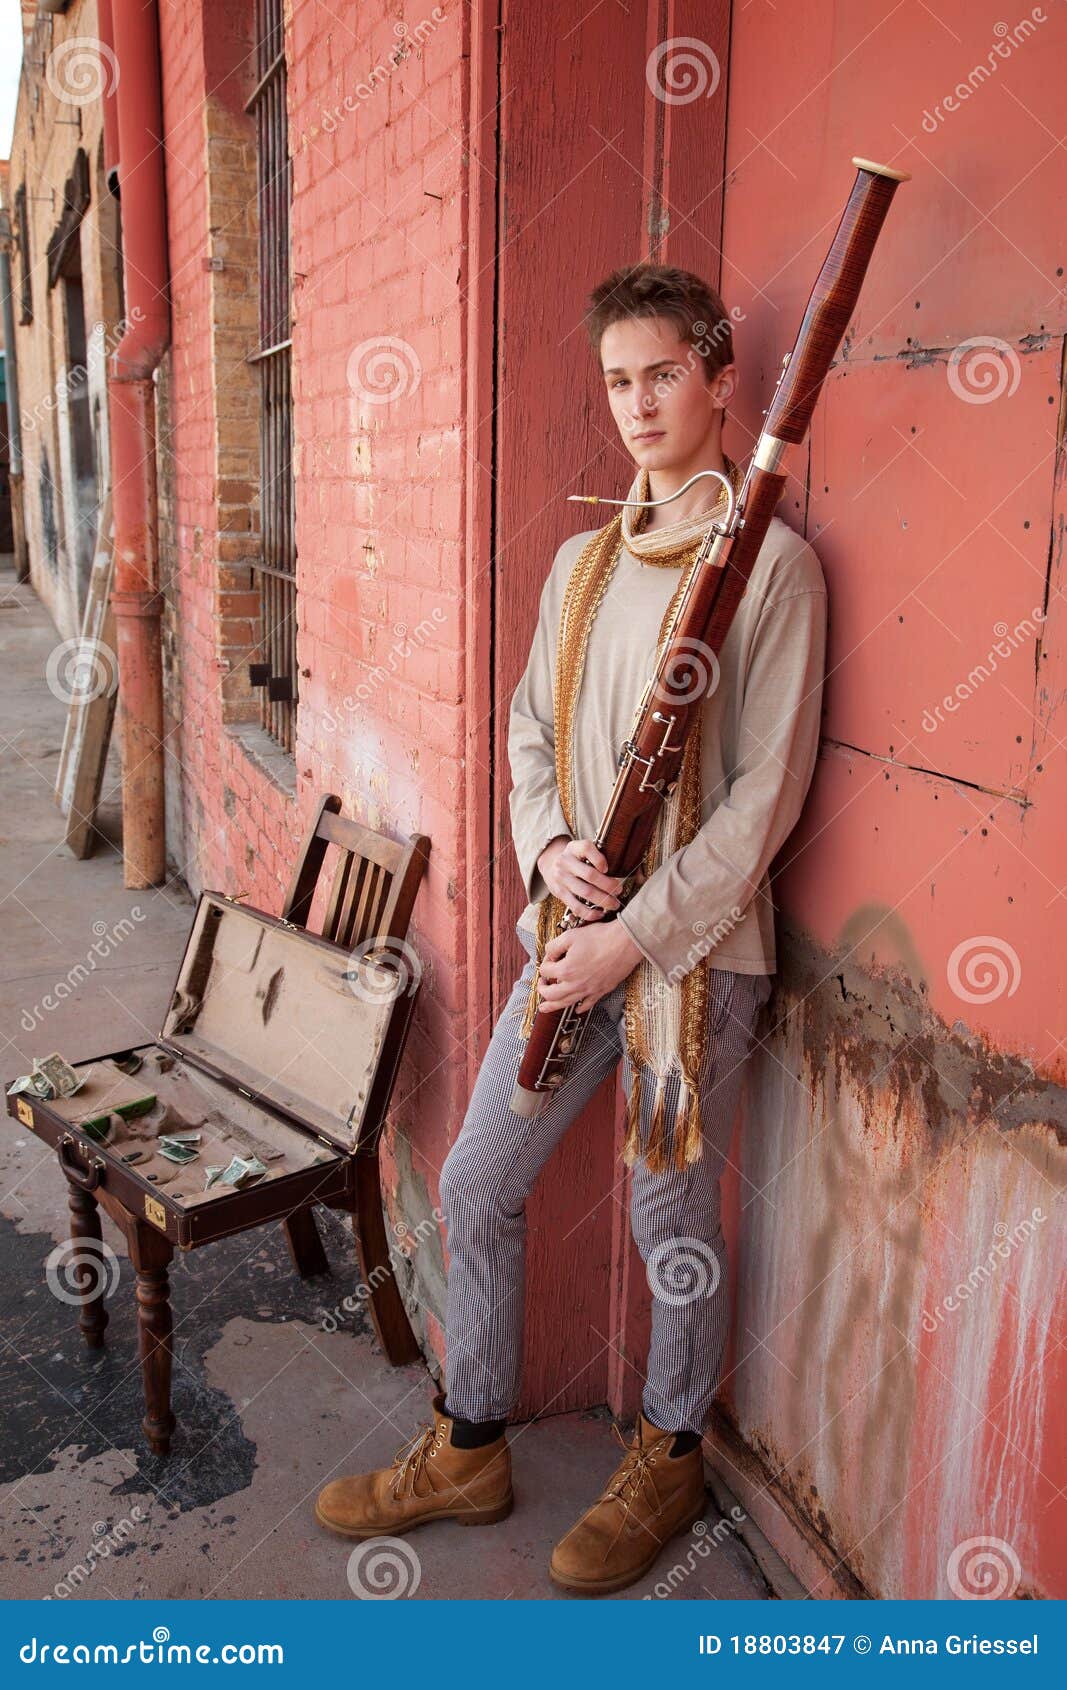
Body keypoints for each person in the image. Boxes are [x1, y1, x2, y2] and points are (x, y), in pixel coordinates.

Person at [315, 262, 827, 1596]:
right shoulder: (582, 562)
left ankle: (670, 1453)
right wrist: (547, 846)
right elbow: (531, 731)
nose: (639, 403)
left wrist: (635, 937)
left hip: (689, 966)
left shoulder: (770, 570)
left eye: (665, 373)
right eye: (618, 380)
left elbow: (763, 802)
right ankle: (470, 1442)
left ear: (720, 379)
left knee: (669, 1212)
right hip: (569, 941)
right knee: (480, 1179)